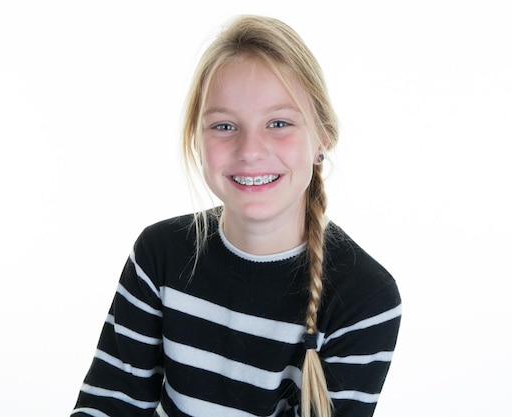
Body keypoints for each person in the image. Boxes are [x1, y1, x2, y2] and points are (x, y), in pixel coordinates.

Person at [71, 15, 401, 417]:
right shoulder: (159, 255)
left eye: (279, 123)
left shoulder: (365, 296)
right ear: (198, 139)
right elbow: (108, 404)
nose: (250, 149)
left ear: (322, 137)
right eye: (225, 125)